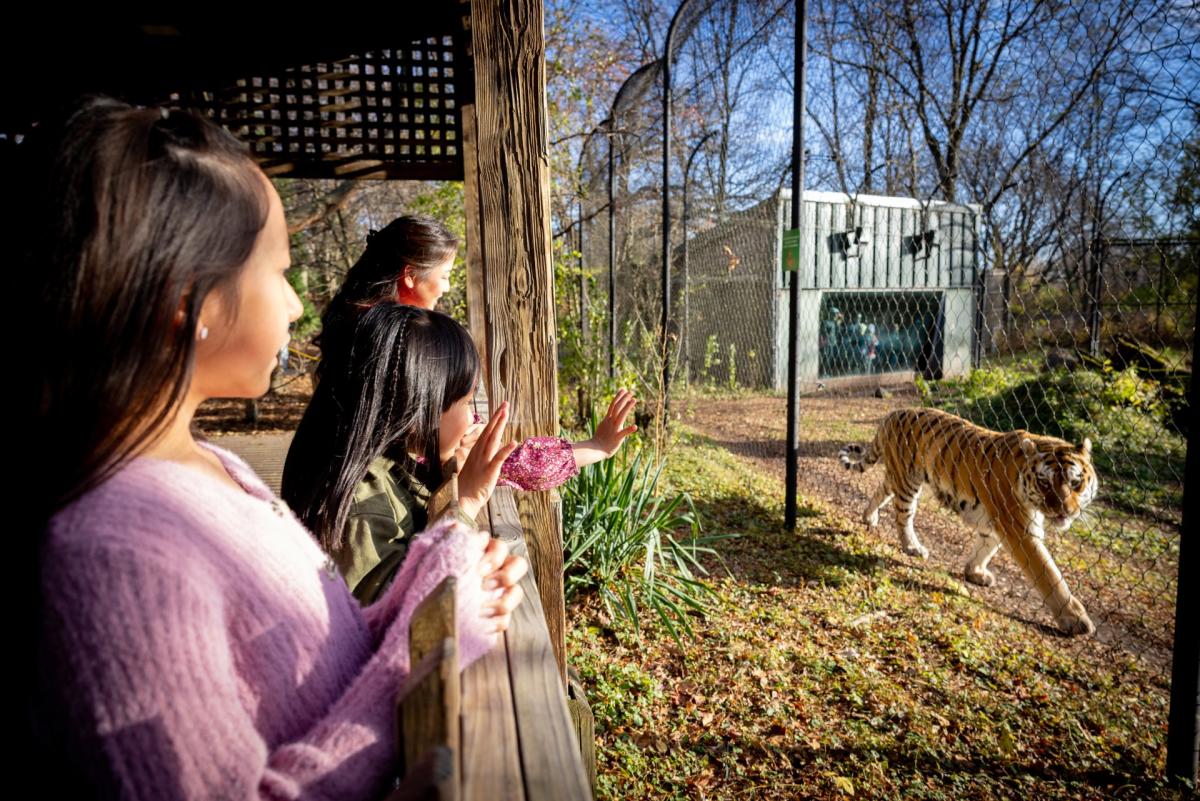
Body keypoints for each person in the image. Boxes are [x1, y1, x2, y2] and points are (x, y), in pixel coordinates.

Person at [20, 96, 527, 799]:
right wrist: (421, 657)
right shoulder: (112, 556)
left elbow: (327, 649)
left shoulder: (210, 466)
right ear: (185, 293)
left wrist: (433, 583)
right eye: (280, 272)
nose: (297, 306)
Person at [282, 303, 637, 604]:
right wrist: (465, 502)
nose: (474, 417)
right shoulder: (364, 504)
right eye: (468, 402)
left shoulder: (403, 456)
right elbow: (400, 615)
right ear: (421, 407)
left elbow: (521, 463)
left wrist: (596, 447)